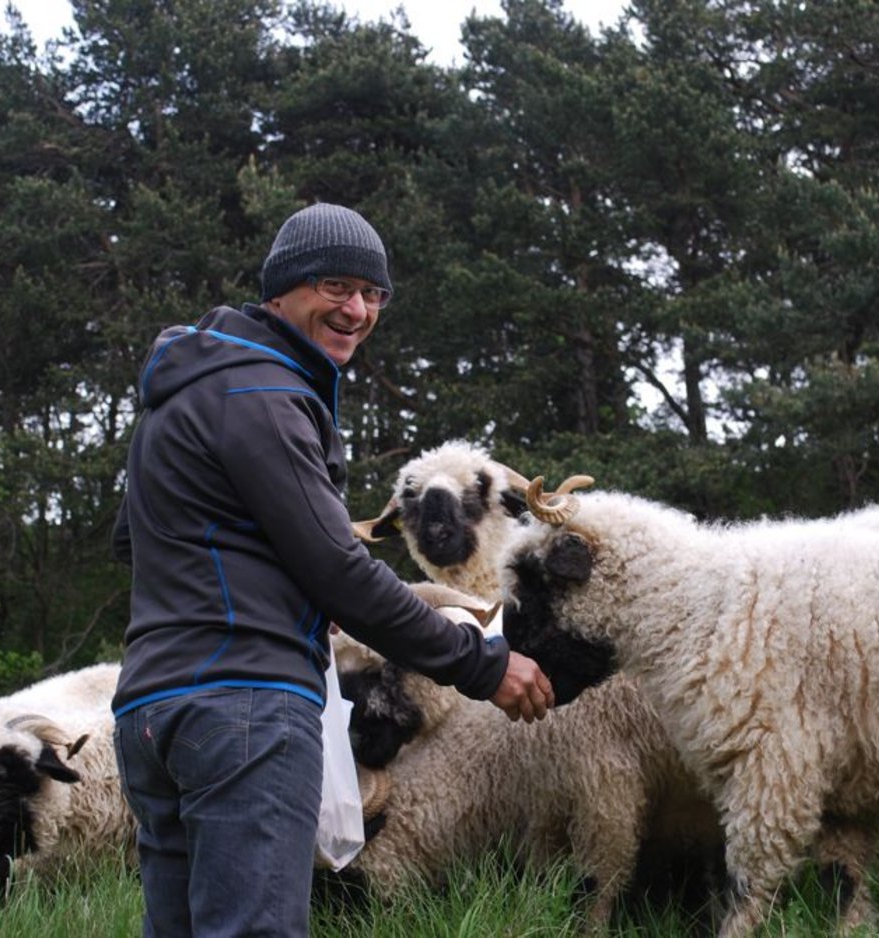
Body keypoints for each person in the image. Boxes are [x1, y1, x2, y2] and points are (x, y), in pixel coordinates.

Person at [110, 202, 555, 938]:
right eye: (336, 287)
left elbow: (137, 542)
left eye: (373, 294)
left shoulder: (179, 393)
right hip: (244, 707)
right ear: (282, 290)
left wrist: (281, 575)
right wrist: (481, 664)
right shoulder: (265, 393)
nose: (357, 310)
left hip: (151, 712)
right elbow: (340, 569)